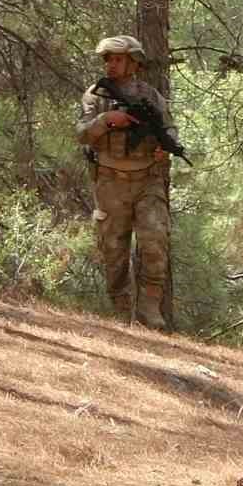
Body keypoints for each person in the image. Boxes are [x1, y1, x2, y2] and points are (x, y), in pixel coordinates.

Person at [76, 35, 178, 330]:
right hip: (110, 182)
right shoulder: (95, 96)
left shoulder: (151, 96)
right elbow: (82, 133)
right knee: (113, 250)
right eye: (107, 59)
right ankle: (121, 311)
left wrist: (166, 146)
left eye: (118, 58)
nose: (111, 64)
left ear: (134, 62)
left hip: (147, 179)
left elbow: (169, 128)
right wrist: (107, 120)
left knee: (155, 240)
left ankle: (149, 307)